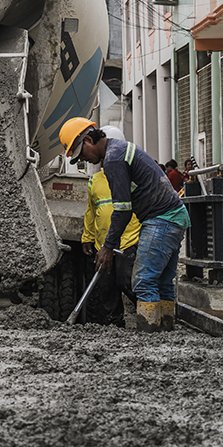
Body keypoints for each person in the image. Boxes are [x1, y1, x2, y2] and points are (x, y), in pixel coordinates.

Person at [60, 117, 189, 332]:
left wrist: (108, 246)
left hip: (161, 219)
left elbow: (122, 209)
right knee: (163, 282)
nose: (84, 159)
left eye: (81, 153)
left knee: (144, 281)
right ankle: (167, 334)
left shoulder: (113, 159)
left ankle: (150, 336)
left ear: (90, 140)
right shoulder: (119, 150)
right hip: (175, 216)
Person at [81, 126, 141, 328]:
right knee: (107, 288)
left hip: (127, 239)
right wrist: (87, 237)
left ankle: (148, 313)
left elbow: (129, 208)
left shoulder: (127, 173)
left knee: (126, 280)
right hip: (103, 242)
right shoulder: (94, 181)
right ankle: (115, 325)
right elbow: (91, 211)